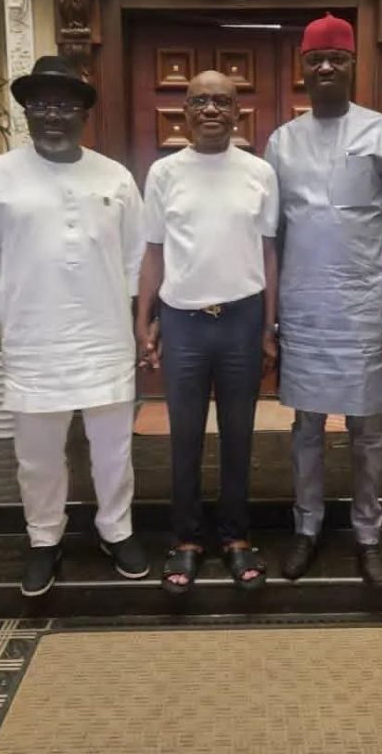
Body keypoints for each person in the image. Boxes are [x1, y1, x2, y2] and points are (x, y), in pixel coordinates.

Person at [0, 55, 148, 597]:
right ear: (27, 111)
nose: (53, 114)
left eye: (65, 104)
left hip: (105, 340)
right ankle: (44, 538)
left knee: (113, 450)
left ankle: (116, 530)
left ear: (84, 113)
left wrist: (144, 328)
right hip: (33, 342)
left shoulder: (116, 177)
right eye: (41, 104)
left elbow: (138, 263)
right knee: (37, 456)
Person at [265, 13, 382, 586]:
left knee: (367, 430)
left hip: (365, 307)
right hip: (304, 308)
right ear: (303, 68)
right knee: (307, 427)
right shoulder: (282, 141)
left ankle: (368, 534)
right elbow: (272, 236)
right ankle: (307, 528)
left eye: (337, 58)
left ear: (354, 64)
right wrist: (270, 318)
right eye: (316, 59)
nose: (326, 67)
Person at [136, 70, 279, 594]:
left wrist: (269, 325)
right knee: (185, 437)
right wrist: (143, 319)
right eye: (200, 101)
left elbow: (268, 253)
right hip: (184, 323)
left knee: (240, 434)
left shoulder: (259, 172)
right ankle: (187, 540)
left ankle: (236, 537)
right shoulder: (164, 173)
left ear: (238, 112)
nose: (211, 109)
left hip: (242, 320)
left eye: (222, 100)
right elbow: (154, 251)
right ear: (186, 112)